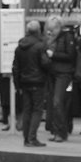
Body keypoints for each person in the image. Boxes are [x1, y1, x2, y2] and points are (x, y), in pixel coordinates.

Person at [11, 19, 48, 147]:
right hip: (38, 82)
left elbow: (15, 67)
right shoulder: (40, 45)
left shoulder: (19, 47)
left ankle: (26, 138)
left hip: (24, 82)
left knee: (27, 110)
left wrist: (17, 85)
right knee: (37, 110)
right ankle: (32, 138)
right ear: (38, 31)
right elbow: (45, 63)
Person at [46, 16, 80, 142]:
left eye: (53, 28)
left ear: (59, 26)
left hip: (64, 73)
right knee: (53, 103)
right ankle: (55, 131)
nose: (51, 30)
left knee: (57, 101)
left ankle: (61, 132)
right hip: (52, 73)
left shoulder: (67, 37)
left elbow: (71, 56)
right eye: (49, 28)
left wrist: (53, 55)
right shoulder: (51, 38)